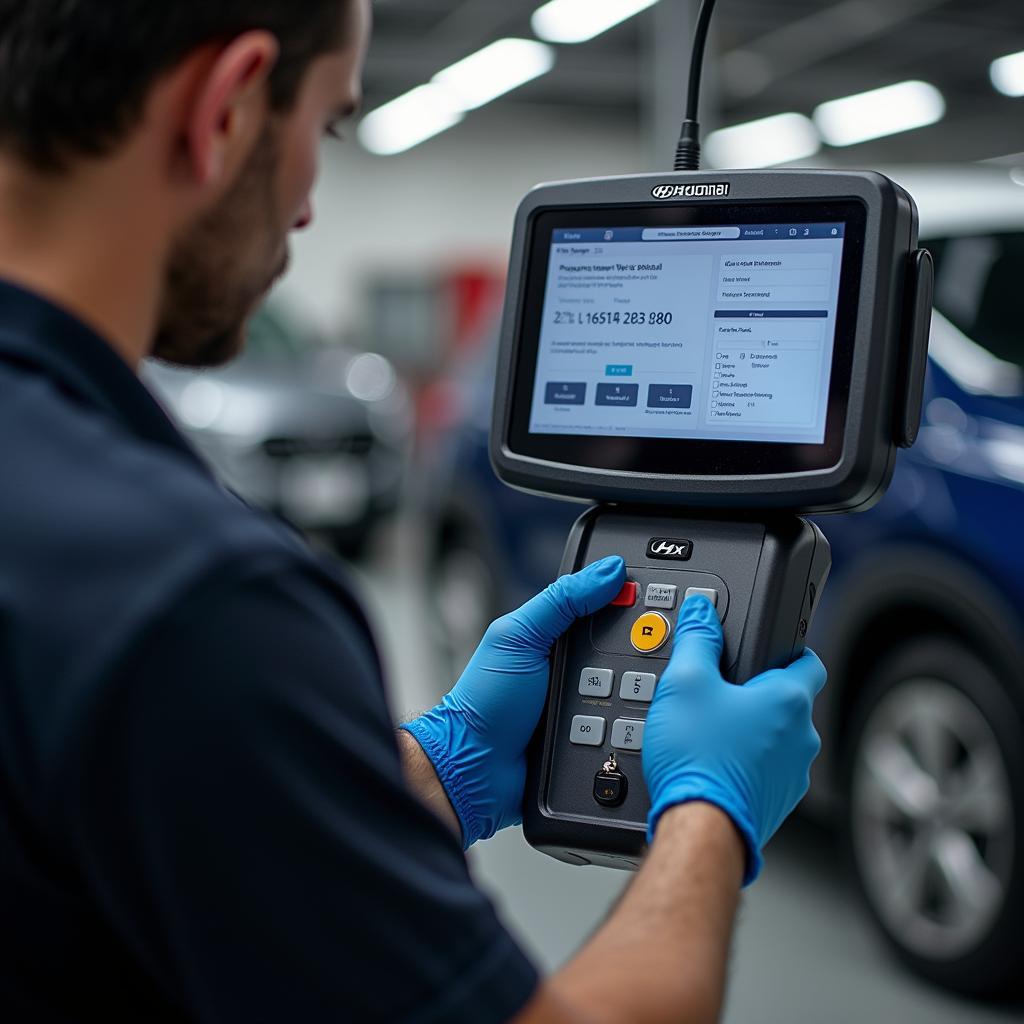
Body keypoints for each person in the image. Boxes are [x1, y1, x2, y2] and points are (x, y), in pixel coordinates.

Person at [0, 2, 826, 1022]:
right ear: (223, 109)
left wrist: (440, 765)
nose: (306, 205)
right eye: (328, 126)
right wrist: (709, 811)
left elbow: (139, 820)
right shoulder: (193, 598)